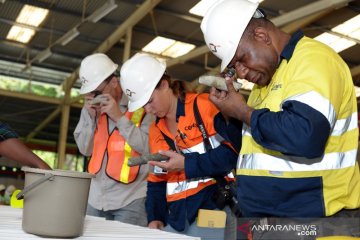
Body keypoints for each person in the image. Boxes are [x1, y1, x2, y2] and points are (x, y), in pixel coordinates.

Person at [201, 0, 360, 238]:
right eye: (235, 66)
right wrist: (229, 111)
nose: (242, 73)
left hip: (313, 224)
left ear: (262, 35)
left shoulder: (313, 60)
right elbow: (251, 147)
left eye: (242, 59)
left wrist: (243, 112)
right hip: (265, 224)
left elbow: (304, 135)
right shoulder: (265, 83)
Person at [120, 53, 242, 240]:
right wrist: (155, 217)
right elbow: (156, 181)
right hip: (177, 220)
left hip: (214, 212)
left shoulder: (204, 106)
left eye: (149, 101)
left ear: (164, 85)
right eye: (142, 106)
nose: (148, 110)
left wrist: (186, 164)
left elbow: (231, 154)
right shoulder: (156, 130)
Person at [74, 53, 153, 226]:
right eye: (88, 93)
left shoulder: (141, 105)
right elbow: (85, 149)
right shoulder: (90, 109)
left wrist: (119, 118)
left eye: (97, 92)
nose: (93, 97)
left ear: (114, 82)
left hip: (130, 199)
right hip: (95, 198)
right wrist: (90, 117)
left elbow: (151, 148)